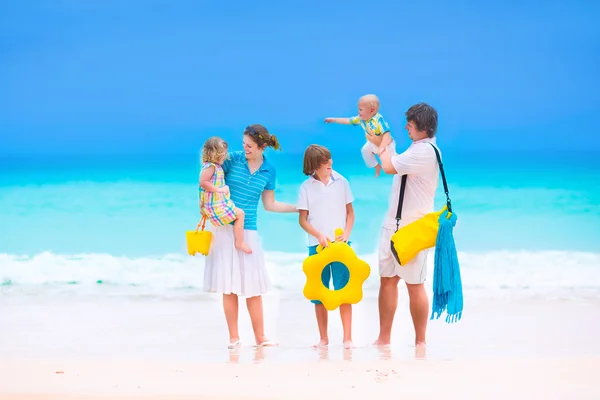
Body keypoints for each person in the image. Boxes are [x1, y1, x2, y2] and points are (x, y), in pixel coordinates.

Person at [203, 124, 297, 349]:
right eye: (243, 144)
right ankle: (234, 338)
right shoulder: (232, 159)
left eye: (250, 146)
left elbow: (270, 204)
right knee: (229, 286)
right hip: (224, 226)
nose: (244, 148)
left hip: (249, 229)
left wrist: (298, 208)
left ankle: (260, 337)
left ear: (262, 146)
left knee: (253, 286)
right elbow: (208, 173)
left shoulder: (269, 170)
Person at [374, 102, 441, 351]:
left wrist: (383, 145)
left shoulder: (424, 151)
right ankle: (384, 338)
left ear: (423, 128)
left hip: (411, 228)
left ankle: (420, 341)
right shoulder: (416, 148)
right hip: (393, 224)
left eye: (410, 125)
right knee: (387, 280)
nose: (406, 128)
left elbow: (390, 166)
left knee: (415, 285)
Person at [296, 144, 355, 349]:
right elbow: (303, 220)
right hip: (316, 247)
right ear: (314, 166)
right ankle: (323, 338)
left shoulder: (342, 182)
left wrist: (346, 234)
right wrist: (319, 235)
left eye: (330, 159)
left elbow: (350, 213)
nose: (330, 163)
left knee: (344, 289)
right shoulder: (306, 187)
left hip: (341, 246)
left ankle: (347, 338)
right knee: (319, 293)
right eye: (324, 161)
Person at [199, 136, 251, 254]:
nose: (225, 156)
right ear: (216, 154)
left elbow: (201, 192)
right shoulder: (211, 167)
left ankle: (238, 241)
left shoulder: (212, 167)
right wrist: (220, 189)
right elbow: (203, 183)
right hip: (216, 207)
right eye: (223, 153)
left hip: (215, 205)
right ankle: (239, 242)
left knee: (238, 212)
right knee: (240, 214)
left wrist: (201, 206)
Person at [324, 94, 397, 177]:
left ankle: (401, 168)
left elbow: (386, 133)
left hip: (386, 145)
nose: (358, 112)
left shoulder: (378, 119)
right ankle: (376, 166)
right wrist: (333, 120)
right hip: (372, 143)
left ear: (372, 111)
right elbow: (348, 120)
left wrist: (382, 147)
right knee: (365, 151)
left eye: (360, 109)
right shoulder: (361, 118)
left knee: (391, 163)